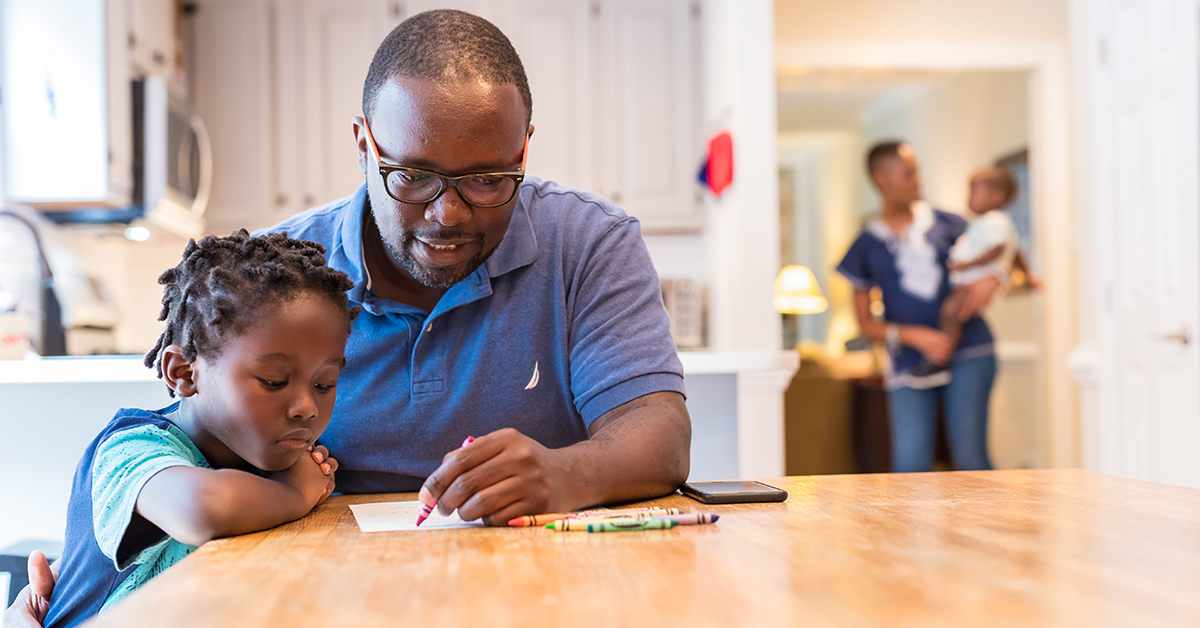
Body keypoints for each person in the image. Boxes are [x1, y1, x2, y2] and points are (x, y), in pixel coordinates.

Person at [7, 10, 690, 625]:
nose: (446, 214)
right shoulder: (285, 279)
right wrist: (94, 572)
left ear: (522, 153)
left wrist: (567, 475)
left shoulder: (591, 242)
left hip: (541, 594)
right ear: (364, 142)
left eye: (485, 180)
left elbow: (659, 437)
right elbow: (194, 451)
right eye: (412, 177)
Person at [41, 231, 356, 627]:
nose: (307, 407)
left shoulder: (257, 451)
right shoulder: (132, 446)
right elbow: (203, 509)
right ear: (185, 373)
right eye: (274, 381)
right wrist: (295, 493)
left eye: (324, 384)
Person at [837, 141, 1000, 473]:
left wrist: (995, 278)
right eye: (909, 173)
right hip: (909, 363)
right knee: (909, 464)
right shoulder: (866, 245)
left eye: (917, 171)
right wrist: (917, 337)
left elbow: (1001, 252)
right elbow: (866, 325)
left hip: (970, 352)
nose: (918, 180)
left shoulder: (949, 225)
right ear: (880, 178)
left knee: (971, 459)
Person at [911, 167, 1020, 377]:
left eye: (973, 191)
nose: (968, 198)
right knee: (951, 312)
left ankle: (940, 356)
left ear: (996, 196)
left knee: (950, 312)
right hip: (970, 277)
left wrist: (968, 265)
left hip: (973, 279)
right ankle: (942, 354)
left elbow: (999, 249)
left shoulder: (996, 221)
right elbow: (1015, 249)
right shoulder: (980, 223)